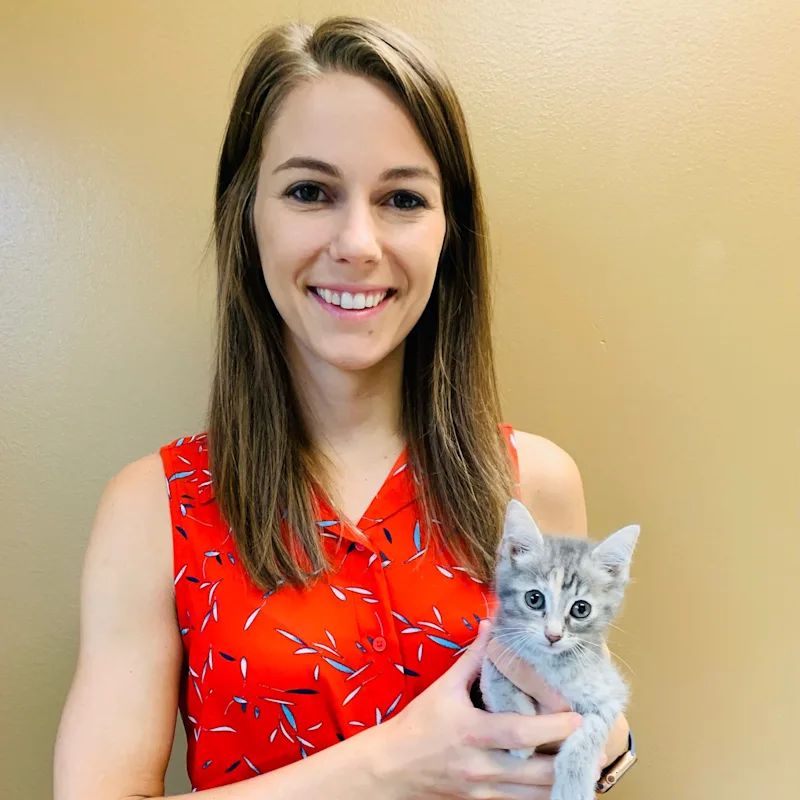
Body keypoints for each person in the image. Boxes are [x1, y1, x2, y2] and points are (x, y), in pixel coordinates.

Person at [54, 15, 631, 800]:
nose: (358, 242)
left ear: (447, 233)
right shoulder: (153, 511)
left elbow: (568, 731)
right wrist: (391, 767)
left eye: (401, 198)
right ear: (245, 214)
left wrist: (599, 744)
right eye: (309, 191)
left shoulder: (533, 483)